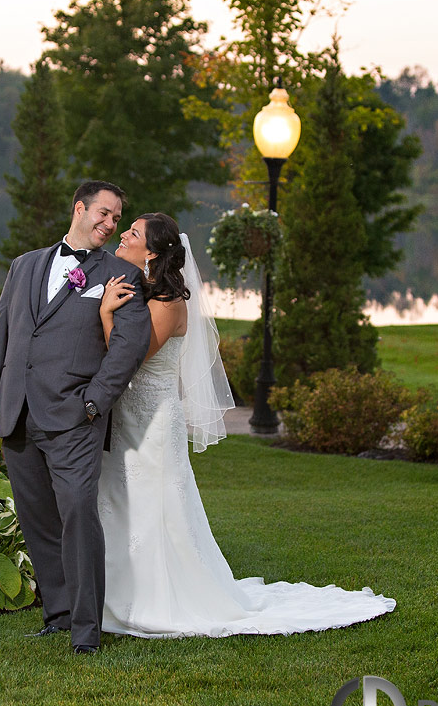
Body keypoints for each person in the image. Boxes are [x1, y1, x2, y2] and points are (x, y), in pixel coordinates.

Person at [96, 212, 396, 638]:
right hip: (127, 417)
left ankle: (158, 600)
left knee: (155, 507)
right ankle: (113, 593)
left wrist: (107, 315)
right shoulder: (143, 292)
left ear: (154, 251)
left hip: (154, 420)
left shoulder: (168, 303)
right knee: (122, 501)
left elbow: (129, 357)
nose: (123, 234)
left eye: (134, 232)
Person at [0, 181, 151, 654]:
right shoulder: (24, 266)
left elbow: (129, 347)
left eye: (117, 219)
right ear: (79, 209)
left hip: (75, 418)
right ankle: (57, 615)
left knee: (77, 515)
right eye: (105, 214)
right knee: (39, 521)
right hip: (17, 415)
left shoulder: (120, 274)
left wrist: (93, 403)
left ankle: (87, 631)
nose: (111, 225)